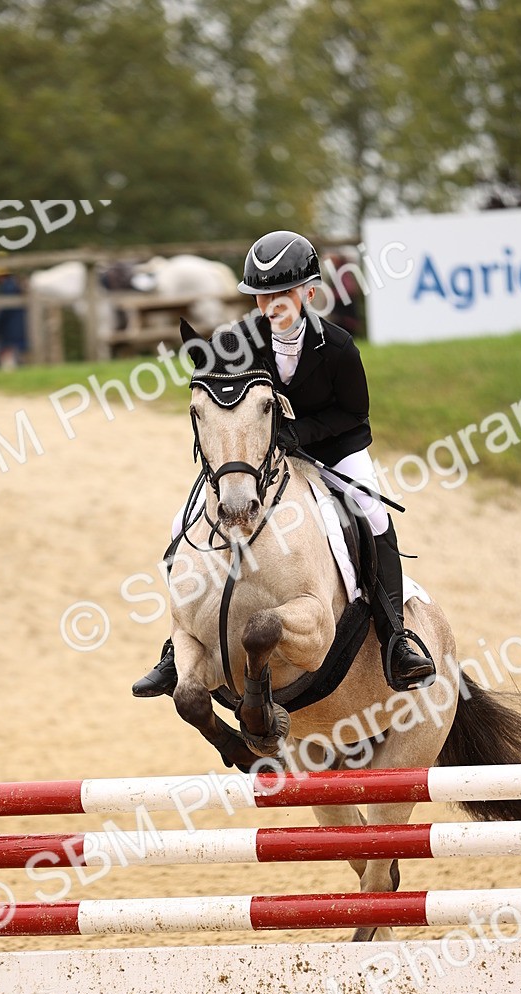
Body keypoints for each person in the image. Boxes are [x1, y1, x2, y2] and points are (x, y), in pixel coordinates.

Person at [133, 230, 435, 698]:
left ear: (308, 293)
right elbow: (219, 385)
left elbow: (354, 416)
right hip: (264, 457)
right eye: (262, 294)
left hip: (336, 448)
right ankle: (178, 650)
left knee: (372, 514)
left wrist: (298, 434)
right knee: (181, 522)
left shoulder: (337, 347)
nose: (271, 302)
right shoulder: (242, 340)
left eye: (282, 292)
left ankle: (395, 635)